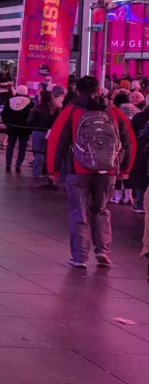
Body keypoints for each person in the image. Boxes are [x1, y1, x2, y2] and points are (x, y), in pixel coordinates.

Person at [47, 76, 135, 268]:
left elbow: (57, 140)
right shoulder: (112, 111)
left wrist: (52, 169)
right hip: (108, 170)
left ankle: (79, 257)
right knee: (102, 210)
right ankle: (103, 250)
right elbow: (128, 140)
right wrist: (124, 169)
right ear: (98, 90)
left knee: (79, 212)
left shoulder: (71, 111)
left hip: (77, 170)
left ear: (77, 90)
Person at [1, 85, 33, 174]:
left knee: (10, 146)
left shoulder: (10, 101)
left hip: (12, 128)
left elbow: (4, 114)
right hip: (24, 129)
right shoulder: (30, 102)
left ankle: (8, 164)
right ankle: (18, 165)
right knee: (22, 148)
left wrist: (8, 124)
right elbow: (32, 117)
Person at [28, 90, 60, 179]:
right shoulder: (56, 108)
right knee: (48, 152)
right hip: (50, 132)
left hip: (38, 131)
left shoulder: (37, 107)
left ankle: (37, 172)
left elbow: (30, 121)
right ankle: (48, 171)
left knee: (38, 153)